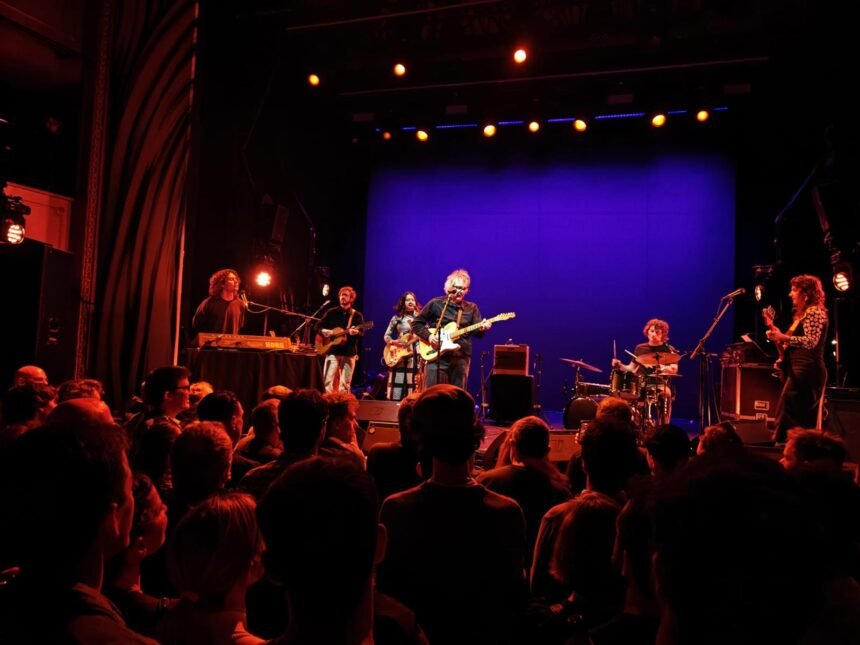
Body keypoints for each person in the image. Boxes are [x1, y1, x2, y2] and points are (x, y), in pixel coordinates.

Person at [764, 274, 829, 442]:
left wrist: (782, 337)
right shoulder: (801, 317)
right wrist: (776, 335)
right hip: (798, 369)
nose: (790, 294)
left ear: (806, 294)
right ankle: (792, 447)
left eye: (794, 290)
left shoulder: (814, 312)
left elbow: (811, 342)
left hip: (808, 369)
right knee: (793, 412)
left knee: (789, 409)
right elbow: (786, 348)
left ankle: (786, 446)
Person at [410, 269, 491, 390]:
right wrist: (429, 336)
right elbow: (416, 324)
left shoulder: (472, 308)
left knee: (457, 395)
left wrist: (483, 328)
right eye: (457, 288)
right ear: (449, 288)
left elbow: (478, 334)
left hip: (460, 358)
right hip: (436, 356)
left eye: (464, 288)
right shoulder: (436, 303)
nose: (460, 291)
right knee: (433, 394)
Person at [611, 318, 679, 426]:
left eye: (657, 332)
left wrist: (661, 367)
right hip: (640, 384)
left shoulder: (668, 349)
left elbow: (674, 369)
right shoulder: (640, 348)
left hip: (659, 384)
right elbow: (631, 368)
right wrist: (619, 365)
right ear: (647, 331)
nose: (653, 334)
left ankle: (664, 425)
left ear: (663, 334)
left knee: (666, 394)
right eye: (651, 331)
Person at [316, 286, 365, 393]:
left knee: (345, 384)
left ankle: (343, 402)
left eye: (345, 295)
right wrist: (323, 330)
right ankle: (327, 401)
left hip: (349, 353)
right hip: (332, 351)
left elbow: (361, 333)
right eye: (341, 295)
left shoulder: (356, 315)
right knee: (327, 381)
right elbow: (318, 325)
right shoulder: (331, 312)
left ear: (351, 299)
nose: (342, 297)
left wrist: (356, 332)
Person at [384, 291, 423, 401]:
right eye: (408, 300)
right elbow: (386, 336)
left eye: (412, 300)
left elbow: (426, 333)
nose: (410, 302)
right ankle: (394, 404)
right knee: (398, 378)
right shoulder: (397, 318)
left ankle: (411, 403)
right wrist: (393, 342)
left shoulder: (420, 318)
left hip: (414, 351)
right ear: (403, 302)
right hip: (399, 352)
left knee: (413, 380)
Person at [191, 268, 246, 335]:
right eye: (231, 279)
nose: (236, 281)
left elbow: (240, 326)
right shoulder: (209, 303)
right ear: (222, 284)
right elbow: (196, 324)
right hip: (211, 341)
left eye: (236, 279)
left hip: (232, 342)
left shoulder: (240, 304)